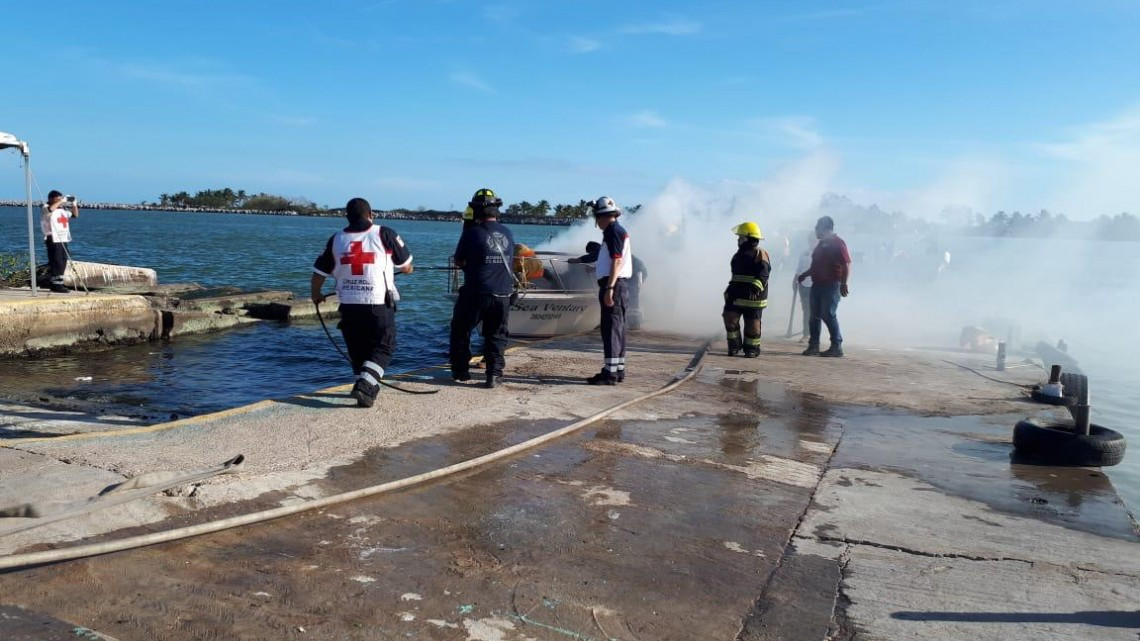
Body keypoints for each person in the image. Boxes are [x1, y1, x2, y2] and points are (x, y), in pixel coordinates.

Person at [311, 197, 413, 408]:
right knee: (385, 344)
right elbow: (406, 266)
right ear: (371, 214)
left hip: (347, 303)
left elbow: (319, 272)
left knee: (357, 347)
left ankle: (364, 387)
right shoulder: (384, 233)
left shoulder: (336, 239)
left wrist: (316, 294)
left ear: (347, 216)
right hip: (377, 302)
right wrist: (407, 269)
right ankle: (366, 385)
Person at [449, 188, 516, 389]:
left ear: (476, 211)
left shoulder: (472, 233)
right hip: (503, 293)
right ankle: (494, 375)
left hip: (477, 292)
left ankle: (461, 370)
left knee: (461, 330)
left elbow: (459, 261)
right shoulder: (508, 232)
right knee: (496, 335)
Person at [587, 196, 632, 385]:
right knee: (617, 328)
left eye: (597, 218)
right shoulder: (617, 230)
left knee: (611, 329)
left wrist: (609, 288)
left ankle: (610, 373)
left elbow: (616, 260)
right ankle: (617, 369)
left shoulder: (613, 231)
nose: (596, 222)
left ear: (602, 216)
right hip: (618, 285)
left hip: (614, 284)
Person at [797, 215, 851, 357]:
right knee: (814, 316)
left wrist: (844, 283)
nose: (815, 230)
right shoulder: (821, 245)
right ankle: (813, 346)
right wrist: (805, 274)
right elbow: (817, 266)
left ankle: (836, 346)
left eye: (817, 228)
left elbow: (846, 264)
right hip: (817, 285)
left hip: (831, 285)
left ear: (826, 229)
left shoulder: (838, 243)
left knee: (828, 314)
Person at [571, 241, 648, 329]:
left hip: (636, 271)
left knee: (632, 296)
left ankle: (634, 324)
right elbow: (610, 265)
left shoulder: (605, 250)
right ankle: (614, 322)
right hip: (630, 272)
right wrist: (594, 269)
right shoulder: (609, 251)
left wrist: (579, 260)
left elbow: (597, 256)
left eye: (591, 252)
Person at [723, 222, 771, 357]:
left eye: (741, 237)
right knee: (730, 319)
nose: (738, 240)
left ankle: (752, 349)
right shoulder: (738, 255)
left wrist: (754, 288)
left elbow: (763, 275)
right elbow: (736, 276)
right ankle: (734, 346)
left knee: (753, 327)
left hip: (753, 298)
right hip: (736, 295)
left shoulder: (760, 254)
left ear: (749, 238)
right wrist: (729, 290)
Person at [41, 190, 79, 293]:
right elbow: (50, 209)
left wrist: (74, 204)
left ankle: (59, 282)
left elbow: (75, 215)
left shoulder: (62, 210)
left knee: (63, 261)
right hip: (53, 238)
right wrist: (62, 200)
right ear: (51, 199)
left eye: (61, 199)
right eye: (58, 199)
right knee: (56, 260)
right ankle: (56, 284)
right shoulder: (45, 208)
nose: (61, 201)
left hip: (63, 238)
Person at [793, 232, 816, 341]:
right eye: (810, 240)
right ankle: (806, 334)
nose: (812, 242)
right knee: (806, 310)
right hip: (804, 285)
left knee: (814, 311)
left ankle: (813, 334)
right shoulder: (804, 253)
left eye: (814, 240)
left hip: (816, 285)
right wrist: (795, 280)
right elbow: (799, 267)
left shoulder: (821, 253)